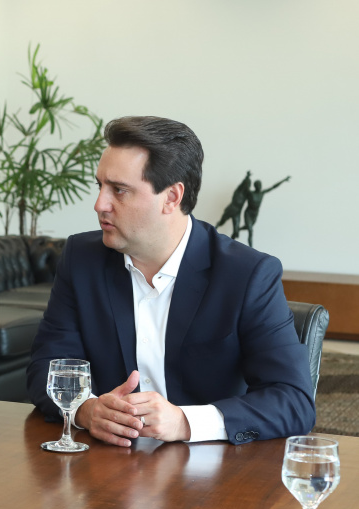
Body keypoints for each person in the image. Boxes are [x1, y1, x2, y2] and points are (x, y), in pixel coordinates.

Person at [27, 116, 314, 447]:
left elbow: (293, 401)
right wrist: (87, 410)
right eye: (100, 186)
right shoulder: (81, 259)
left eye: (119, 190)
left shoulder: (247, 274)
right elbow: (45, 368)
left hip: (212, 478)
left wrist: (185, 421)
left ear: (172, 197)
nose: (100, 204)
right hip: (105, 470)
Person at [241, 176, 290, 247]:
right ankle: (251, 248)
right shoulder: (250, 193)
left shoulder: (262, 193)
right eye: (258, 185)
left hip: (255, 214)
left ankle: (238, 229)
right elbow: (244, 187)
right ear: (255, 186)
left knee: (248, 227)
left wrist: (284, 180)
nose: (259, 186)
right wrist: (247, 177)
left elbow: (273, 187)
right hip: (248, 213)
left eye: (260, 185)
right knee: (250, 230)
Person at [215, 170, 251, 240]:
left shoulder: (247, 195)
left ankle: (231, 244)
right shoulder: (238, 191)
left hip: (237, 213)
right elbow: (242, 184)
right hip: (231, 209)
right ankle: (213, 231)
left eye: (249, 185)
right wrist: (247, 177)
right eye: (248, 185)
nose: (248, 186)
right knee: (222, 222)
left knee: (236, 231)